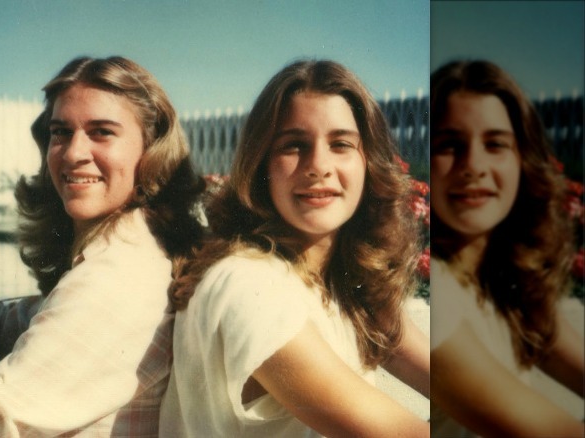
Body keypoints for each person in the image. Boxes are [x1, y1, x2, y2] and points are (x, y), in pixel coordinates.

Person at [160, 59, 430, 437]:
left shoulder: (338, 280)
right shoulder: (248, 284)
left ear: (369, 163)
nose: (319, 165)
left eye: (341, 144)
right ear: (261, 166)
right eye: (294, 145)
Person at [0, 56, 204, 436]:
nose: (74, 153)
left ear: (151, 150)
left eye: (102, 132)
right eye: (61, 133)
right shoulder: (135, 242)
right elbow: (44, 315)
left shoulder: (118, 276)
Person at [429, 60, 585, 437]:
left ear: (522, 160)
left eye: (495, 144)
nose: (474, 166)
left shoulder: (503, 275)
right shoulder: (437, 290)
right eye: (450, 144)